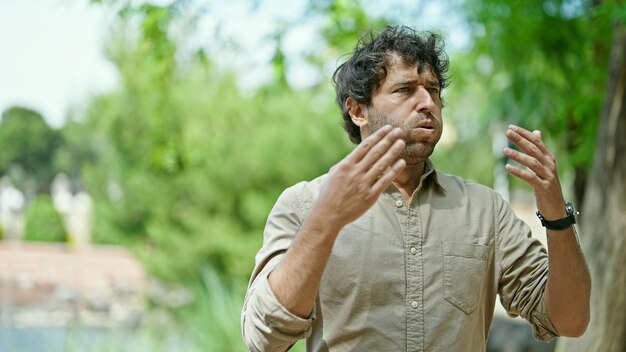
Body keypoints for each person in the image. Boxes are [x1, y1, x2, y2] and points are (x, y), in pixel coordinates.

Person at [241, 25, 591, 351]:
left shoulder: (486, 209)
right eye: (405, 90)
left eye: (433, 91)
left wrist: (557, 213)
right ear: (357, 110)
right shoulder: (304, 204)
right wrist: (325, 221)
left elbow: (569, 321)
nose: (427, 103)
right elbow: (263, 337)